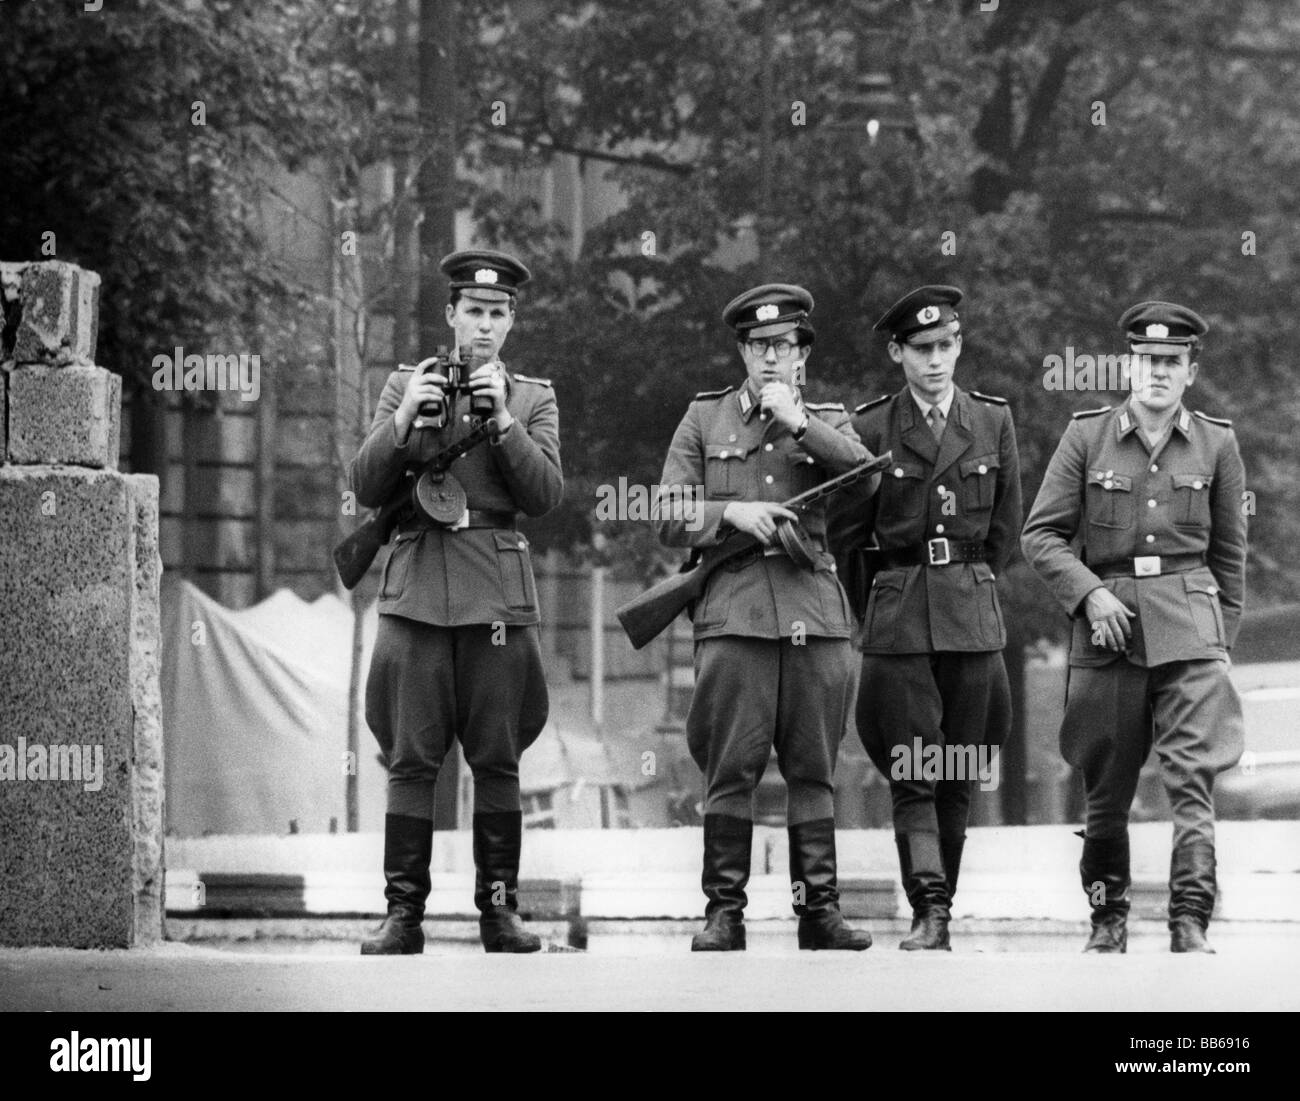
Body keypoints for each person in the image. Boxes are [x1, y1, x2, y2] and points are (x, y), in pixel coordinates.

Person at [350, 249, 563, 954]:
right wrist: (408, 415)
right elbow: (366, 482)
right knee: (411, 760)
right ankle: (402, 913)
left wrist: (501, 421)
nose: (485, 325)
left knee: (497, 759)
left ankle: (499, 912)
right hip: (416, 593)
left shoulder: (532, 396)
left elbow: (544, 496)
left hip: (496, 599)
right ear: (451, 314)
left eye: (498, 313)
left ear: (511, 321)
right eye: (473, 310)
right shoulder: (405, 384)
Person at [653, 283, 876, 952]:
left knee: (813, 770)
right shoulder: (705, 418)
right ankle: (725, 912)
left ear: (802, 354)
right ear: (743, 351)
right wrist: (730, 515)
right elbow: (665, 513)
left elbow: (867, 482)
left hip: (814, 609)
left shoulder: (830, 418)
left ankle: (819, 912)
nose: (771, 357)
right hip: (734, 614)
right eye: (759, 345)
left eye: (785, 345)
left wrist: (804, 425)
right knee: (730, 768)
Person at [1021, 301, 1246, 954]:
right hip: (1109, 625)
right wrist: (1089, 595)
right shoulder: (1087, 436)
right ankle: (1107, 918)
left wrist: (1218, 644)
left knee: (1191, 779)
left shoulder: (1216, 442)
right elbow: (1042, 535)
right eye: (1146, 360)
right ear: (1129, 364)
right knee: (1105, 782)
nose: (1156, 372)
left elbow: (1229, 556)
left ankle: (1190, 921)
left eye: (1170, 362)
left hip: (1190, 625)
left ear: (1189, 372)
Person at [828, 285, 1022, 950]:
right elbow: (847, 536)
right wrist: (883, 599)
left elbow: (1006, 527)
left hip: (970, 610)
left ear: (959, 345)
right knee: (914, 767)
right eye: (922, 348)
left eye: (947, 346)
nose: (937, 360)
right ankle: (928, 908)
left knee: (960, 765)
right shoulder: (871, 428)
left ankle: (945, 902)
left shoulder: (992, 421)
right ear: (897, 352)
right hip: (902, 613)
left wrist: (967, 574)